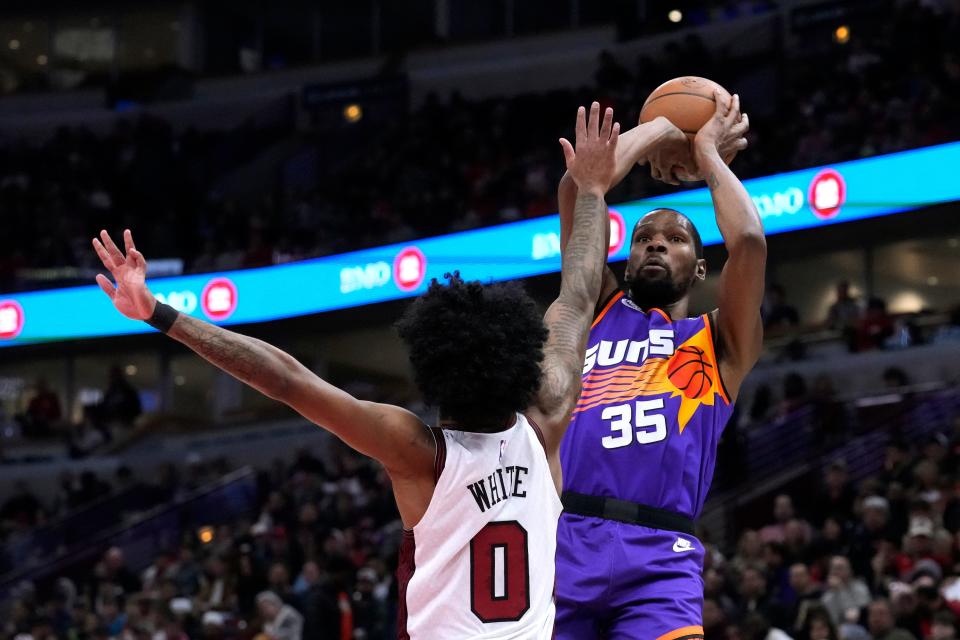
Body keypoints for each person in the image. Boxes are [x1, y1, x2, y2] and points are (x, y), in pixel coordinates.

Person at [92, 101, 631, 638]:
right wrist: (589, 188)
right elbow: (580, 294)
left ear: (434, 369)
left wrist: (160, 315)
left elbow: (284, 378)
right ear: (520, 358)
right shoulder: (549, 419)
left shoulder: (420, 453)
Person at [554, 91, 762, 639]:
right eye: (643, 238)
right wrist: (663, 128)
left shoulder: (718, 341)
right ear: (623, 264)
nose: (654, 245)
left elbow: (749, 241)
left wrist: (709, 152)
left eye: (674, 239)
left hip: (661, 560)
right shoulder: (595, 310)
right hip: (563, 540)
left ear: (698, 269)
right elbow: (579, 185)